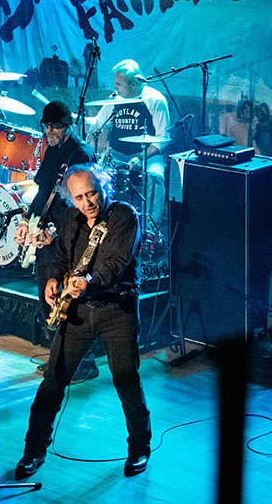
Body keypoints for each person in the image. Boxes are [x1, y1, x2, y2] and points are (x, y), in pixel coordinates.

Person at [15, 163, 151, 480]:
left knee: (125, 380)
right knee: (53, 380)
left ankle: (140, 448)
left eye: (92, 193)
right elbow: (60, 255)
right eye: (79, 197)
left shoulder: (124, 215)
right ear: (71, 198)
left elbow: (114, 263)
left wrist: (87, 281)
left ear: (103, 187)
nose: (87, 203)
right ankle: (33, 450)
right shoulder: (70, 219)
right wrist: (53, 278)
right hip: (78, 311)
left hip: (116, 310)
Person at [13, 100, 98, 381]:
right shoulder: (52, 150)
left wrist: (52, 231)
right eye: (46, 125)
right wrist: (27, 219)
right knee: (47, 296)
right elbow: (43, 192)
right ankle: (60, 359)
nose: (49, 130)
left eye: (55, 126)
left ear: (68, 126)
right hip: (50, 235)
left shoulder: (80, 154)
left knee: (69, 301)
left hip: (71, 236)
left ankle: (82, 364)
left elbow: (79, 206)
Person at [87, 59, 170, 232]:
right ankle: (103, 223)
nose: (115, 88)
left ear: (133, 84)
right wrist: (76, 118)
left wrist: (141, 158)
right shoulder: (115, 99)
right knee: (96, 175)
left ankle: (150, 230)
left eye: (119, 84)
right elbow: (98, 122)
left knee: (155, 177)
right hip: (117, 154)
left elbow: (162, 138)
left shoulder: (155, 100)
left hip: (149, 154)